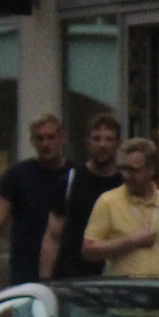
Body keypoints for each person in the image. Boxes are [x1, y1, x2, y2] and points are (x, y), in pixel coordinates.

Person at [0, 113, 71, 292]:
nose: (45, 144)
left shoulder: (77, 175)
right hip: (25, 275)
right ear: (32, 141)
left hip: (71, 274)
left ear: (62, 138)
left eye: (50, 137)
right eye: (40, 138)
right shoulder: (16, 176)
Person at [81, 138, 159, 279]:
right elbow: (89, 250)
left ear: (151, 169)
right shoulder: (108, 201)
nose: (127, 176)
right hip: (124, 293)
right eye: (124, 169)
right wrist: (131, 242)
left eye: (134, 170)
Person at [42, 114, 125, 278]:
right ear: (87, 142)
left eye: (109, 139)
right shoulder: (70, 181)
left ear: (118, 144)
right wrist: (45, 281)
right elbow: (53, 236)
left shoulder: (125, 184)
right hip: (73, 280)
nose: (102, 145)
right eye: (97, 139)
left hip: (115, 280)